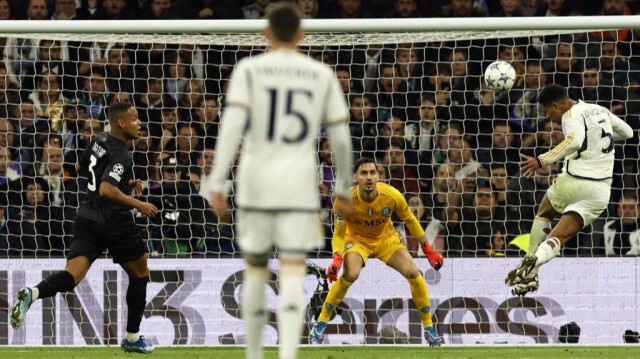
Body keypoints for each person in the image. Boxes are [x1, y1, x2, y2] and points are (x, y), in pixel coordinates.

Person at [207, 4, 354, 359]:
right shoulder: (320, 74)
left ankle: (255, 355)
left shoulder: (249, 70)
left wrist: (217, 182)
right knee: (291, 270)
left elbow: (231, 130)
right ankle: (288, 354)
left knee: (256, 270)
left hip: (255, 183)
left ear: (266, 33)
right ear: (302, 34)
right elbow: (340, 137)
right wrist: (344, 188)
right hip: (298, 185)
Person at [9, 102, 158, 354]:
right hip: (114, 221)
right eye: (134, 118)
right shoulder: (122, 153)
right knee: (140, 273)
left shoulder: (98, 140)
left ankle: (32, 293)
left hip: (86, 217)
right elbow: (106, 189)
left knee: (72, 276)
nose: (139, 123)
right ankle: (132, 338)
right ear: (120, 123)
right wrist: (138, 203)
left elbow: (81, 168)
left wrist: (124, 180)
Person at [505, 84, 633, 296]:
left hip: (575, 180)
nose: (550, 118)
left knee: (544, 213)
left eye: (548, 112)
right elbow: (627, 132)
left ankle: (531, 273)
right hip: (601, 191)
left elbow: (575, 141)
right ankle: (534, 263)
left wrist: (541, 160)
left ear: (556, 105)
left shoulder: (569, 115)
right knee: (559, 237)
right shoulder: (599, 110)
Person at [308, 157, 444, 346]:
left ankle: (429, 328)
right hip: (357, 241)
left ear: (379, 176)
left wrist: (428, 250)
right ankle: (321, 323)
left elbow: (410, 220)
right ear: (355, 177)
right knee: (351, 274)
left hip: (385, 240)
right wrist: (337, 259)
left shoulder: (392, 195)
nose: (369, 177)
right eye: (364, 173)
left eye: (373, 173)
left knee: (414, 273)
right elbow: (338, 234)